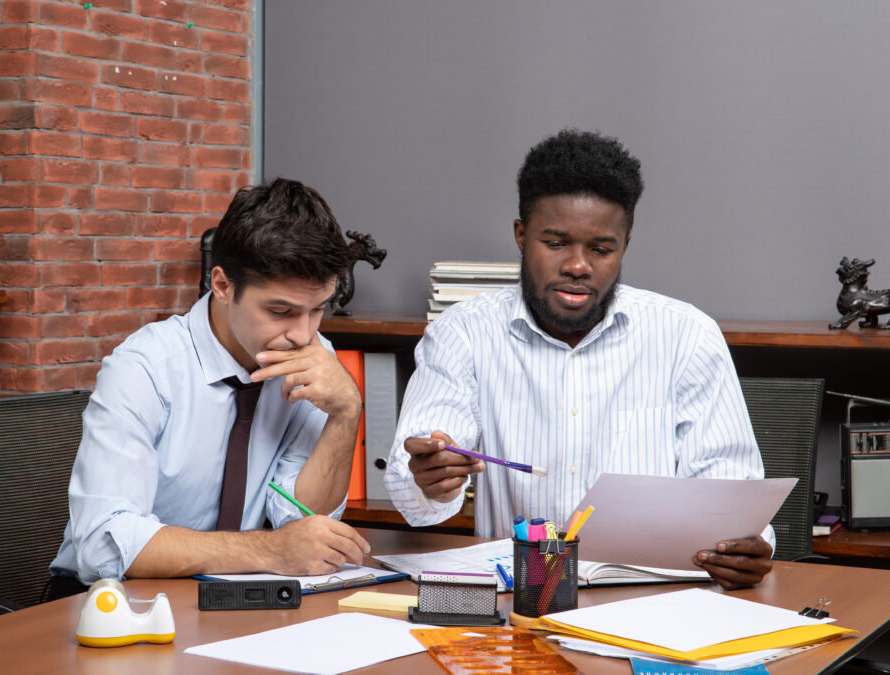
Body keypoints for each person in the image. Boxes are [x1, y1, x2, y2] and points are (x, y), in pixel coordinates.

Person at [384, 129, 773, 590]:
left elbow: (730, 497)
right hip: (523, 603)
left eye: (601, 249)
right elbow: (420, 502)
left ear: (624, 246)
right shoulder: (462, 334)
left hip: (656, 602)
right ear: (521, 236)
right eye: (556, 243)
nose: (578, 265)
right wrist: (432, 482)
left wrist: (743, 546)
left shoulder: (687, 335)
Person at [49, 178, 370, 594]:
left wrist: (347, 412)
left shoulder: (313, 357)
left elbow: (300, 517)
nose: (302, 334)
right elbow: (103, 545)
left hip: (230, 596)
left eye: (317, 310)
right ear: (222, 285)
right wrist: (270, 550)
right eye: (280, 311)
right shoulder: (145, 369)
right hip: (111, 602)